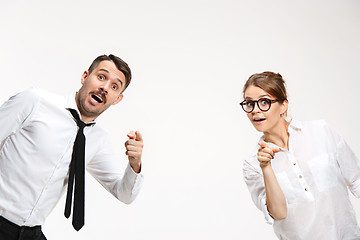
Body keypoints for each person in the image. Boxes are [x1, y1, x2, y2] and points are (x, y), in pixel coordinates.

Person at [0, 54, 144, 240]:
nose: (105, 87)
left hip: (31, 233)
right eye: (101, 77)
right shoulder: (35, 102)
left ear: (117, 99)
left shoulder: (98, 140)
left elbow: (124, 194)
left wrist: (135, 164)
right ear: (85, 76)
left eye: (114, 86)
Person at [241, 71, 360, 239]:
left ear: (283, 105)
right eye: (249, 103)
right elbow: (279, 213)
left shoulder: (321, 131)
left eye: (264, 102)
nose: (255, 110)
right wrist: (266, 167)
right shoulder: (252, 164)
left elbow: (357, 180)